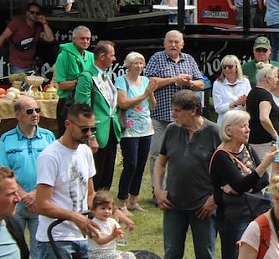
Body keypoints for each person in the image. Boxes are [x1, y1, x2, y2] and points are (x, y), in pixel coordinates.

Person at [153, 89, 221, 259]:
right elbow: (160, 161)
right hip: (174, 205)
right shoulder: (173, 130)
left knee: (206, 257)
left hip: (203, 207)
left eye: (177, 111)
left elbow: (226, 170)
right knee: (171, 256)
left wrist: (214, 199)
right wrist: (158, 189)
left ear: (193, 110)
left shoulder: (214, 132)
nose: (173, 115)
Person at [34, 102, 102, 259]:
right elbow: (41, 204)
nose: (89, 134)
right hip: (56, 237)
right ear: (68, 124)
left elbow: (90, 194)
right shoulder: (50, 156)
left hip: (82, 235)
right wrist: (75, 217)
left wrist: (103, 213)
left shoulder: (85, 152)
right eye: (84, 129)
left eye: (92, 128)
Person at [210, 109, 278, 259]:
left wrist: (244, 184)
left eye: (248, 125)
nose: (248, 129)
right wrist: (262, 166)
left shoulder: (246, 148)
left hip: (253, 214)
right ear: (229, 130)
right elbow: (244, 184)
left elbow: (261, 180)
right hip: (234, 218)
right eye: (243, 126)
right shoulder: (222, 156)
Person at [0, 96, 55, 259]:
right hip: (15, 205)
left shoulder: (48, 137)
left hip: (42, 202)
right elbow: (3, 172)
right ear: (17, 115)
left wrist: (36, 195)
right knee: (14, 250)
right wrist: (24, 195)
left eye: (37, 110)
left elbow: (54, 170)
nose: (35, 114)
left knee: (40, 249)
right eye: (30, 111)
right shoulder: (6, 139)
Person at [144, 30, 205, 193]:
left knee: (185, 155)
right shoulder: (157, 58)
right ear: (164, 44)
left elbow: (201, 84)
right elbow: (150, 81)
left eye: (176, 42)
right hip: (161, 117)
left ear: (182, 45)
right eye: (170, 41)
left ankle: (181, 189)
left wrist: (189, 83)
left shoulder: (189, 60)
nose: (173, 45)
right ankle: (158, 190)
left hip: (185, 120)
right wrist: (174, 79)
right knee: (158, 155)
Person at [74, 40, 122, 192]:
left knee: (108, 173)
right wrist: (91, 135)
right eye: (112, 55)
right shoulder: (87, 76)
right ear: (102, 56)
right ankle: (91, 206)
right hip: (97, 131)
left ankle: (104, 206)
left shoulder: (106, 75)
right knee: (95, 173)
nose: (114, 59)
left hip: (111, 130)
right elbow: (82, 109)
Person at [115, 52, 156, 213]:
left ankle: (134, 200)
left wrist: (151, 92)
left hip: (146, 128)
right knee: (130, 165)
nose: (139, 66)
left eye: (141, 63)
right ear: (129, 65)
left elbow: (152, 105)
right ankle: (121, 201)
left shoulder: (145, 80)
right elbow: (123, 103)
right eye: (136, 63)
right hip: (129, 129)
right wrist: (145, 94)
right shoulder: (121, 81)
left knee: (140, 166)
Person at [87, 191, 152, 259]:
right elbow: (100, 241)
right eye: (103, 208)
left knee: (129, 255)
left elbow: (117, 233)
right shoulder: (93, 224)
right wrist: (113, 236)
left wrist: (120, 234)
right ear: (93, 210)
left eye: (109, 209)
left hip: (110, 252)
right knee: (116, 256)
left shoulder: (112, 221)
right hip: (96, 255)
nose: (106, 211)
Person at [0, 3, 55, 74]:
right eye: (32, 12)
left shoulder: (37, 28)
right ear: (27, 13)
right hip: (17, 66)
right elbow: (3, 37)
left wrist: (44, 22)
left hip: (31, 66)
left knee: (33, 84)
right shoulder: (16, 23)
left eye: (37, 13)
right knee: (19, 85)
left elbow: (50, 38)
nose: (34, 14)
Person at [53, 25, 93, 135]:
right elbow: (61, 85)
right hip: (67, 103)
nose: (85, 41)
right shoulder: (63, 56)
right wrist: (81, 83)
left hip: (87, 102)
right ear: (73, 39)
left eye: (88, 39)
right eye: (82, 38)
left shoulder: (91, 56)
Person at [246, 63, 279, 160]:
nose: (277, 80)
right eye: (276, 77)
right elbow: (263, 118)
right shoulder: (265, 95)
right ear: (268, 79)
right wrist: (275, 134)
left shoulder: (252, 93)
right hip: (264, 144)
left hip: (253, 141)